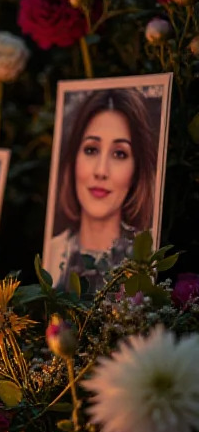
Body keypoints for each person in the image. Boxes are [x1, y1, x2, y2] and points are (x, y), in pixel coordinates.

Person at [44, 89, 158, 292]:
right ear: (73, 159)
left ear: (136, 170)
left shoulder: (148, 257)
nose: (101, 171)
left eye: (119, 154)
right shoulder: (50, 253)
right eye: (91, 150)